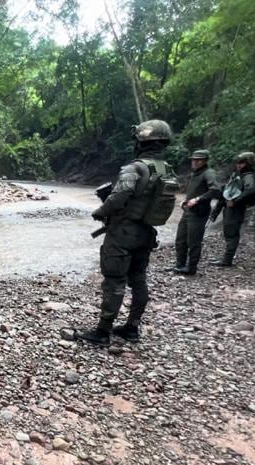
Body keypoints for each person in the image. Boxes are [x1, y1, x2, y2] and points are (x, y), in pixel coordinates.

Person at [76, 119, 174, 346]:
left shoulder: (135, 168)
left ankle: (103, 331)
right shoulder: (166, 169)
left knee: (114, 281)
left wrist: (100, 211)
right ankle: (132, 327)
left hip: (123, 233)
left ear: (141, 141)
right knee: (138, 279)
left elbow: (119, 197)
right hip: (146, 233)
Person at [173, 149, 220, 275]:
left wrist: (198, 199)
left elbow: (216, 190)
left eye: (198, 160)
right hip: (188, 210)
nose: (195, 162)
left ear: (205, 161)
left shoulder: (209, 173)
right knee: (180, 239)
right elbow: (195, 190)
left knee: (193, 241)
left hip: (199, 212)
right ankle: (180, 264)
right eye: (193, 160)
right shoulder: (195, 173)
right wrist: (186, 200)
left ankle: (191, 268)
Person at [209, 152, 255, 267]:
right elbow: (227, 192)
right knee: (229, 232)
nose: (238, 165)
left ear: (249, 164)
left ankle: (227, 260)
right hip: (230, 208)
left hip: (236, 209)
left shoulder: (248, 176)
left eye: (241, 163)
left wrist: (235, 201)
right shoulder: (239, 175)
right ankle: (226, 258)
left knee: (231, 234)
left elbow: (251, 190)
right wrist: (216, 211)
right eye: (238, 163)